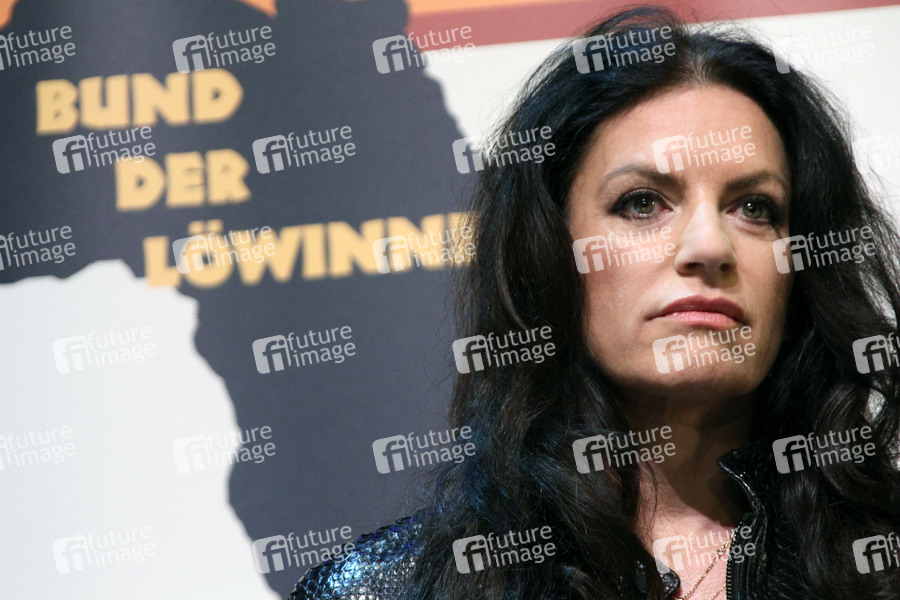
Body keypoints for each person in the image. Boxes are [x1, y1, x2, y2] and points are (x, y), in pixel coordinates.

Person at [289, 7, 900, 599]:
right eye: (642, 203)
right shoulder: (386, 589)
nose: (710, 246)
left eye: (755, 208)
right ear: (549, 252)